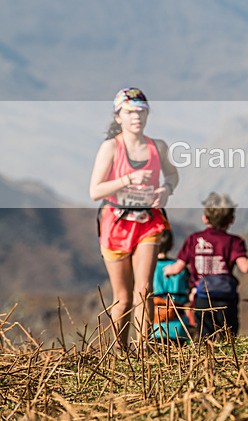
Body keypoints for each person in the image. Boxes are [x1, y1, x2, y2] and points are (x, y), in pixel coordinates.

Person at [89, 87, 179, 346]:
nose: (136, 117)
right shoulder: (110, 148)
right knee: (123, 297)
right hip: (116, 225)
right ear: (118, 117)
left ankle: (143, 352)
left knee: (145, 290)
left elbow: (172, 175)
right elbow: (95, 191)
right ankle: (119, 353)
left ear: (148, 114)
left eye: (141, 111)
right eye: (129, 112)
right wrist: (127, 179)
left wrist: (166, 190)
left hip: (148, 223)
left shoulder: (158, 147)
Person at [163, 192, 248, 339]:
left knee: (204, 340)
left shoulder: (194, 240)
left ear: (205, 218)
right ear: (232, 219)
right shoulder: (234, 242)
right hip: (226, 299)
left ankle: (206, 361)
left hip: (202, 298)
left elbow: (177, 267)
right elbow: (245, 267)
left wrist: (167, 270)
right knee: (228, 340)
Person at [150, 231, 193, 343]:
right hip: (179, 327)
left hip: (155, 327)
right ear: (171, 245)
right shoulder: (180, 268)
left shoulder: (149, 269)